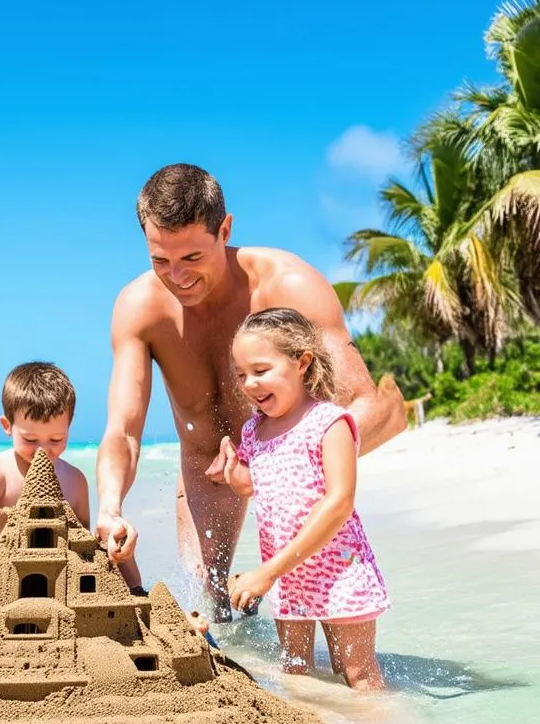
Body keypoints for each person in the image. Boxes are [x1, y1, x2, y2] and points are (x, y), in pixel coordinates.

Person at [95, 164, 406, 620]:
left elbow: (369, 406)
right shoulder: (139, 308)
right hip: (207, 466)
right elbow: (122, 430)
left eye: (192, 258)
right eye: (160, 261)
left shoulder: (289, 285)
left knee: (317, 608)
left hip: (287, 460)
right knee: (213, 604)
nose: (177, 277)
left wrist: (273, 471)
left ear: (225, 230)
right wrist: (110, 506)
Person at [222, 308, 389, 690]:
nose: (249, 383)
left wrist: (267, 573)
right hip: (287, 577)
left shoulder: (328, 422)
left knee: (358, 675)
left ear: (302, 362)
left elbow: (339, 501)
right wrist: (235, 477)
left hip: (337, 571)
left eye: (261, 371)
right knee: (296, 675)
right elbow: (259, 483)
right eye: (241, 374)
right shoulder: (253, 430)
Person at [0, 361, 141, 599]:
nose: (42, 450)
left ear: (69, 428)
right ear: (7, 426)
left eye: (55, 439)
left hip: (35, 582)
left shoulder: (74, 481)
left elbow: (79, 543)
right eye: (30, 440)